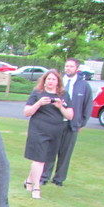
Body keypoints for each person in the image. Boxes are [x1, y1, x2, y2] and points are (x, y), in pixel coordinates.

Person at [41, 58, 93, 187]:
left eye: (71, 66)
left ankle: (59, 179)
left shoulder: (84, 86)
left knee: (66, 153)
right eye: (67, 66)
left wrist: (81, 123)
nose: (68, 68)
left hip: (72, 125)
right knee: (50, 151)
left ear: (77, 69)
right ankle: (44, 176)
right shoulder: (59, 83)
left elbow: (87, 106)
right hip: (56, 122)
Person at [22, 70, 72, 199]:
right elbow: (27, 112)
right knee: (38, 159)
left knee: (44, 159)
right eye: (48, 79)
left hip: (55, 131)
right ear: (44, 81)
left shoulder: (64, 95)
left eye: (53, 79)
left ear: (58, 82)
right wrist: (39, 103)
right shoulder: (37, 93)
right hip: (38, 130)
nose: (50, 82)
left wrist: (60, 107)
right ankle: (36, 188)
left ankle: (28, 181)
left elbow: (70, 115)